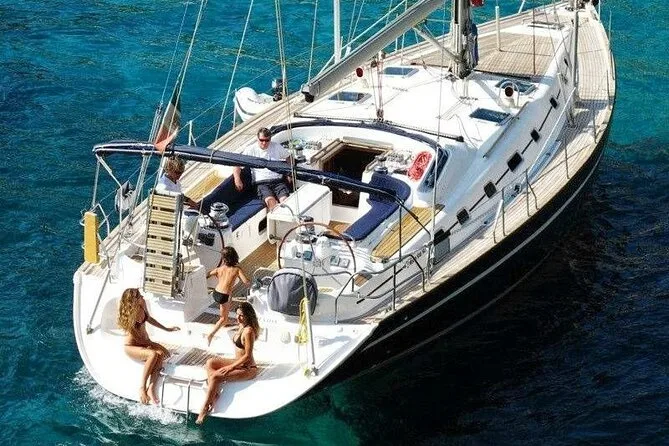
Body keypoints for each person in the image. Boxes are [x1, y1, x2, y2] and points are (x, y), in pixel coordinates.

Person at [196, 302, 260, 425]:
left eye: (241, 315)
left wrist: (230, 367)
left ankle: (204, 409)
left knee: (215, 376)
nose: (238, 318)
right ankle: (214, 393)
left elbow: (247, 356)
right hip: (238, 362)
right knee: (210, 362)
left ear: (248, 316)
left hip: (248, 368)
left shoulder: (248, 331)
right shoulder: (241, 326)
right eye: (237, 315)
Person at [116, 288, 180, 404]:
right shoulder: (130, 316)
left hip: (145, 342)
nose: (142, 297)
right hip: (132, 346)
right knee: (153, 354)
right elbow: (137, 339)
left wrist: (167, 329)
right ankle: (142, 388)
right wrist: (155, 344)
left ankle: (151, 388)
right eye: (139, 296)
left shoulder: (142, 304)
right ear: (133, 300)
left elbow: (149, 319)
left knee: (160, 354)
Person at [233, 127, 292, 211]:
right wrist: (237, 179)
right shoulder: (250, 150)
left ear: (270, 139)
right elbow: (237, 164)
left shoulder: (276, 147)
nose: (264, 143)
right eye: (261, 140)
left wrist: (289, 172)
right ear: (257, 139)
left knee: (286, 201)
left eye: (267, 140)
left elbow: (289, 157)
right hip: (261, 183)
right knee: (271, 202)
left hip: (278, 181)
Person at [205, 247, 250, 345]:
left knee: (229, 302)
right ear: (235, 257)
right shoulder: (237, 269)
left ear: (224, 258)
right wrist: (249, 281)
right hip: (224, 296)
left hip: (216, 293)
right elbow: (246, 282)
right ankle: (211, 335)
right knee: (223, 318)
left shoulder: (219, 269)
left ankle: (225, 322)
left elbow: (208, 275)